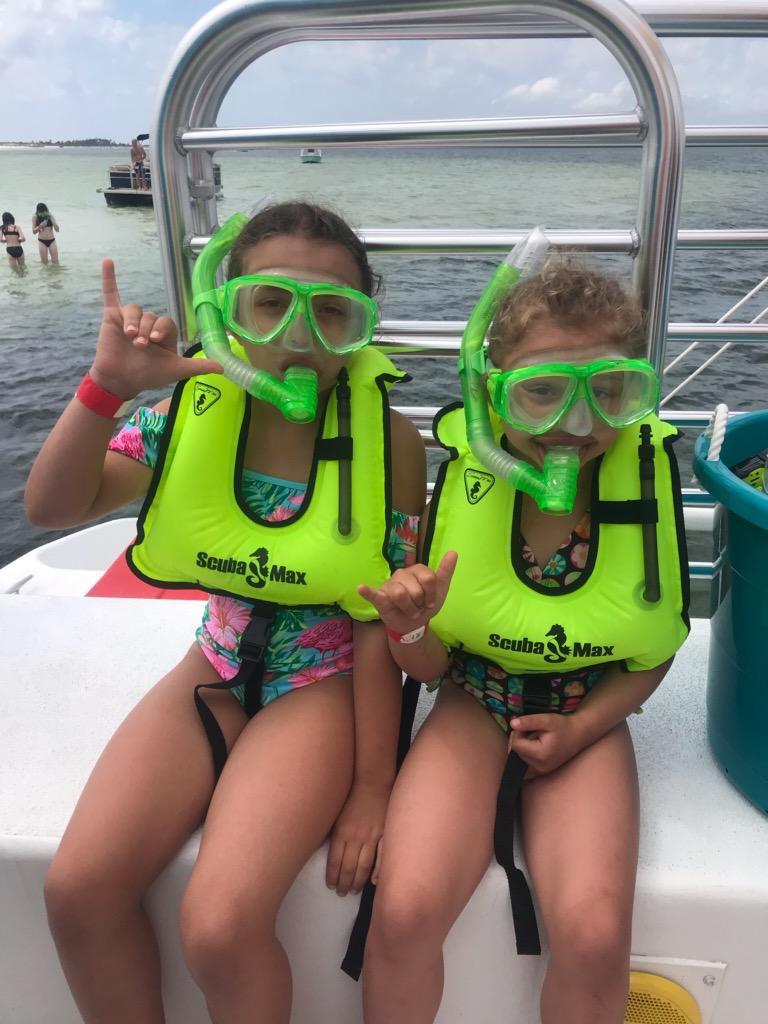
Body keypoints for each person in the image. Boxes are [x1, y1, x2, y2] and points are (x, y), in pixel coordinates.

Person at [25, 200, 425, 1024]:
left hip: (322, 686)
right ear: (227, 309)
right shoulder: (187, 410)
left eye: (333, 310)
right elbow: (53, 507)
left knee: (219, 925)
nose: (300, 334)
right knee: (77, 893)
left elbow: (380, 620)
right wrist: (108, 389)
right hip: (214, 661)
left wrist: (374, 786)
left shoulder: (391, 444)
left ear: (361, 324)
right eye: (272, 302)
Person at [358, 261, 690, 1024]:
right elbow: (433, 666)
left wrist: (583, 728)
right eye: (540, 392)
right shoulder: (467, 481)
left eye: (607, 391)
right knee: (403, 911)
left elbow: (654, 645)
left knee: (597, 934)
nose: (576, 423)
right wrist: (410, 622)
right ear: (489, 393)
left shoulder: (641, 479)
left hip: (586, 711)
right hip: (472, 706)